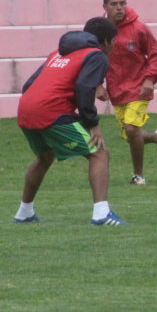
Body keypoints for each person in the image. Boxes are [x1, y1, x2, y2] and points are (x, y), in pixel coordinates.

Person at [14, 17, 126, 225]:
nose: (114, 46)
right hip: (51, 111)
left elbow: (29, 84)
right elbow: (84, 87)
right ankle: (102, 214)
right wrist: (93, 124)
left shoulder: (57, 54)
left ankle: (24, 212)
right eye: (114, 41)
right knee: (99, 153)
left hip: (26, 109)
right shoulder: (98, 56)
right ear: (107, 41)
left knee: (45, 156)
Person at [96, 0, 157, 186]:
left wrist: (150, 79)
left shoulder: (139, 28)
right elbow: (92, 59)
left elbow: (156, 54)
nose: (119, 8)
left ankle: (138, 176)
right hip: (117, 92)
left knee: (132, 130)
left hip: (139, 88)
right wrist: (98, 84)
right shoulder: (99, 31)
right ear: (105, 7)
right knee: (131, 136)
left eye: (122, 3)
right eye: (114, 4)